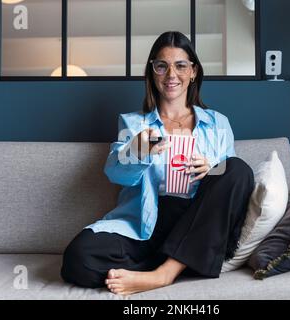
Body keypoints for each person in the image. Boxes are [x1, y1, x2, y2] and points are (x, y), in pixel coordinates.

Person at [61, 31, 255, 295]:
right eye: (162, 66)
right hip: (146, 223)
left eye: (180, 65)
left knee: (237, 168)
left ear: (194, 71)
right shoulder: (134, 123)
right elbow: (116, 174)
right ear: (153, 72)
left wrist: (212, 168)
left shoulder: (217, 123)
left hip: (197, 220)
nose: (171, 74)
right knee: (78, 259)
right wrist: (140, 149)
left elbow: (233, 188)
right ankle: (176, 262)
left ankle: (163, 275)